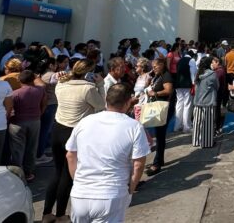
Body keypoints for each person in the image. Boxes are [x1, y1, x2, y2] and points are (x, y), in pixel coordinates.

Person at [65, 83, 150, 223]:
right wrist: (131, 188)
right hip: (111, 194)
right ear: (128, 102)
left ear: (106, 100)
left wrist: (78, 181)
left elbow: (70, 155)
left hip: (80, 194)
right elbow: (138, 164)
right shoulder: (134, 126)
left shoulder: (85, 121)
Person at [42, 59, 105, 222]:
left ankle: (47, 213)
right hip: (75, 132)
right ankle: (61, 215)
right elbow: (100, 105)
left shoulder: (61, 84)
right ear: (88, 73)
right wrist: (100, 85)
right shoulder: (88, 88)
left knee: (57, 171)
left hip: (58, 129)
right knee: (67, 175)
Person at [9, 70, 46, 181]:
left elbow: (10, 109)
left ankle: (17, 174)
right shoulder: (40, 90)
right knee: (31, 148)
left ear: (19, 80)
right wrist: (40, 113)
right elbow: (44, 103)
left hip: (17, 123)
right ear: (33, 79)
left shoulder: (15, 93)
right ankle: (28, 172)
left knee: (17, 150)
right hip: (35, 121)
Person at [145, 57, 173, 176]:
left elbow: (168, 90)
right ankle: (159, 160)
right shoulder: (158, 76)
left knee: (160, 135)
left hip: (163, 108)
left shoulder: (166, 75)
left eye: (155, 66)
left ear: (162, 65)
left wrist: (155, 93)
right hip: (158, 107)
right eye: (152, 66)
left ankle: (157, 163)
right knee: (159, 134)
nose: (154, 68)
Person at [192, 56, 219, 148]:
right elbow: (217, 86)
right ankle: (207, 143)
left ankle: (196, 141)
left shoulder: (198, 73)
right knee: (208, 124)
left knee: (197, 122)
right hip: (208, 101)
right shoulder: (212, 74)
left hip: (197, 101)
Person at [174, 50, 197, 133]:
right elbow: (193, 73)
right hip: (187, 85)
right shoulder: (191, 60)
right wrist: (194, 83)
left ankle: (177, 126)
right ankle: (186, 126)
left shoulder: (180, 60)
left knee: (179, 104)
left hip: (178, 85)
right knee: (187, 105)